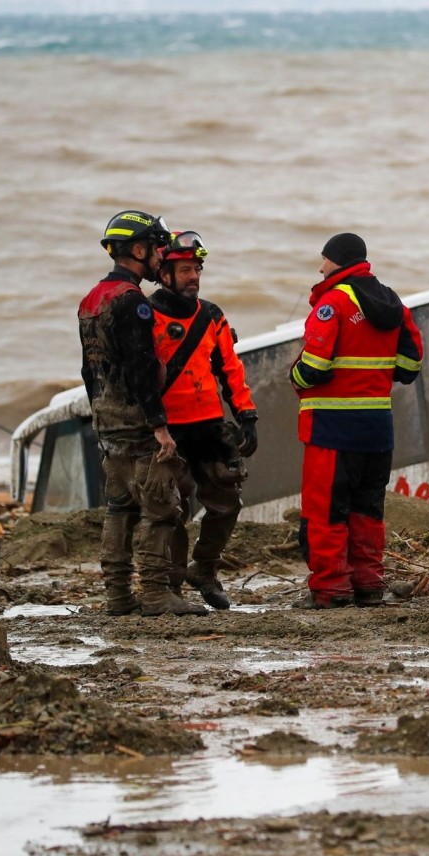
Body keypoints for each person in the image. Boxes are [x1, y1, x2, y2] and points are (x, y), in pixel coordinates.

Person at [77, 210, 207, 617]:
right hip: (138, 420)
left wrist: (100, 410)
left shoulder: (91, 299)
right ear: (137, 249)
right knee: (160, 507)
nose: (161, 257)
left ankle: (118, 596)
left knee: (118, 508)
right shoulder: (134, 303)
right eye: (156, 248)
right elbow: (142, 370)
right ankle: (153, 593)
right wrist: (160, 427)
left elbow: (88, 369)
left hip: (105, 417)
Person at [289, 232, 423, 608]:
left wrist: (294, 378)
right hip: (377, 427)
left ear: (341, 261)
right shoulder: (393, 302)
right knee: (368, 509)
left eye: (325, 259)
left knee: (326, 511)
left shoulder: (333, 302)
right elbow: (412, 364)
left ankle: (331, 590)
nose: (320, 267)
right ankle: (369, 585)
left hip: (331, 428)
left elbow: (313, 366)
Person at [149, 229, 258, 610]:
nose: (194, 276)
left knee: (227, 503)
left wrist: (246, 416)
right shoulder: (146, 316)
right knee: (172, 509)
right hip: (167, 432)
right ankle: (173, 584)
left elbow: (231, 369)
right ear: (164, 273)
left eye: (197, 268)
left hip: (210, 426)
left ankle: (205, 569)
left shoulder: (212, 315)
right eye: (185, 270)